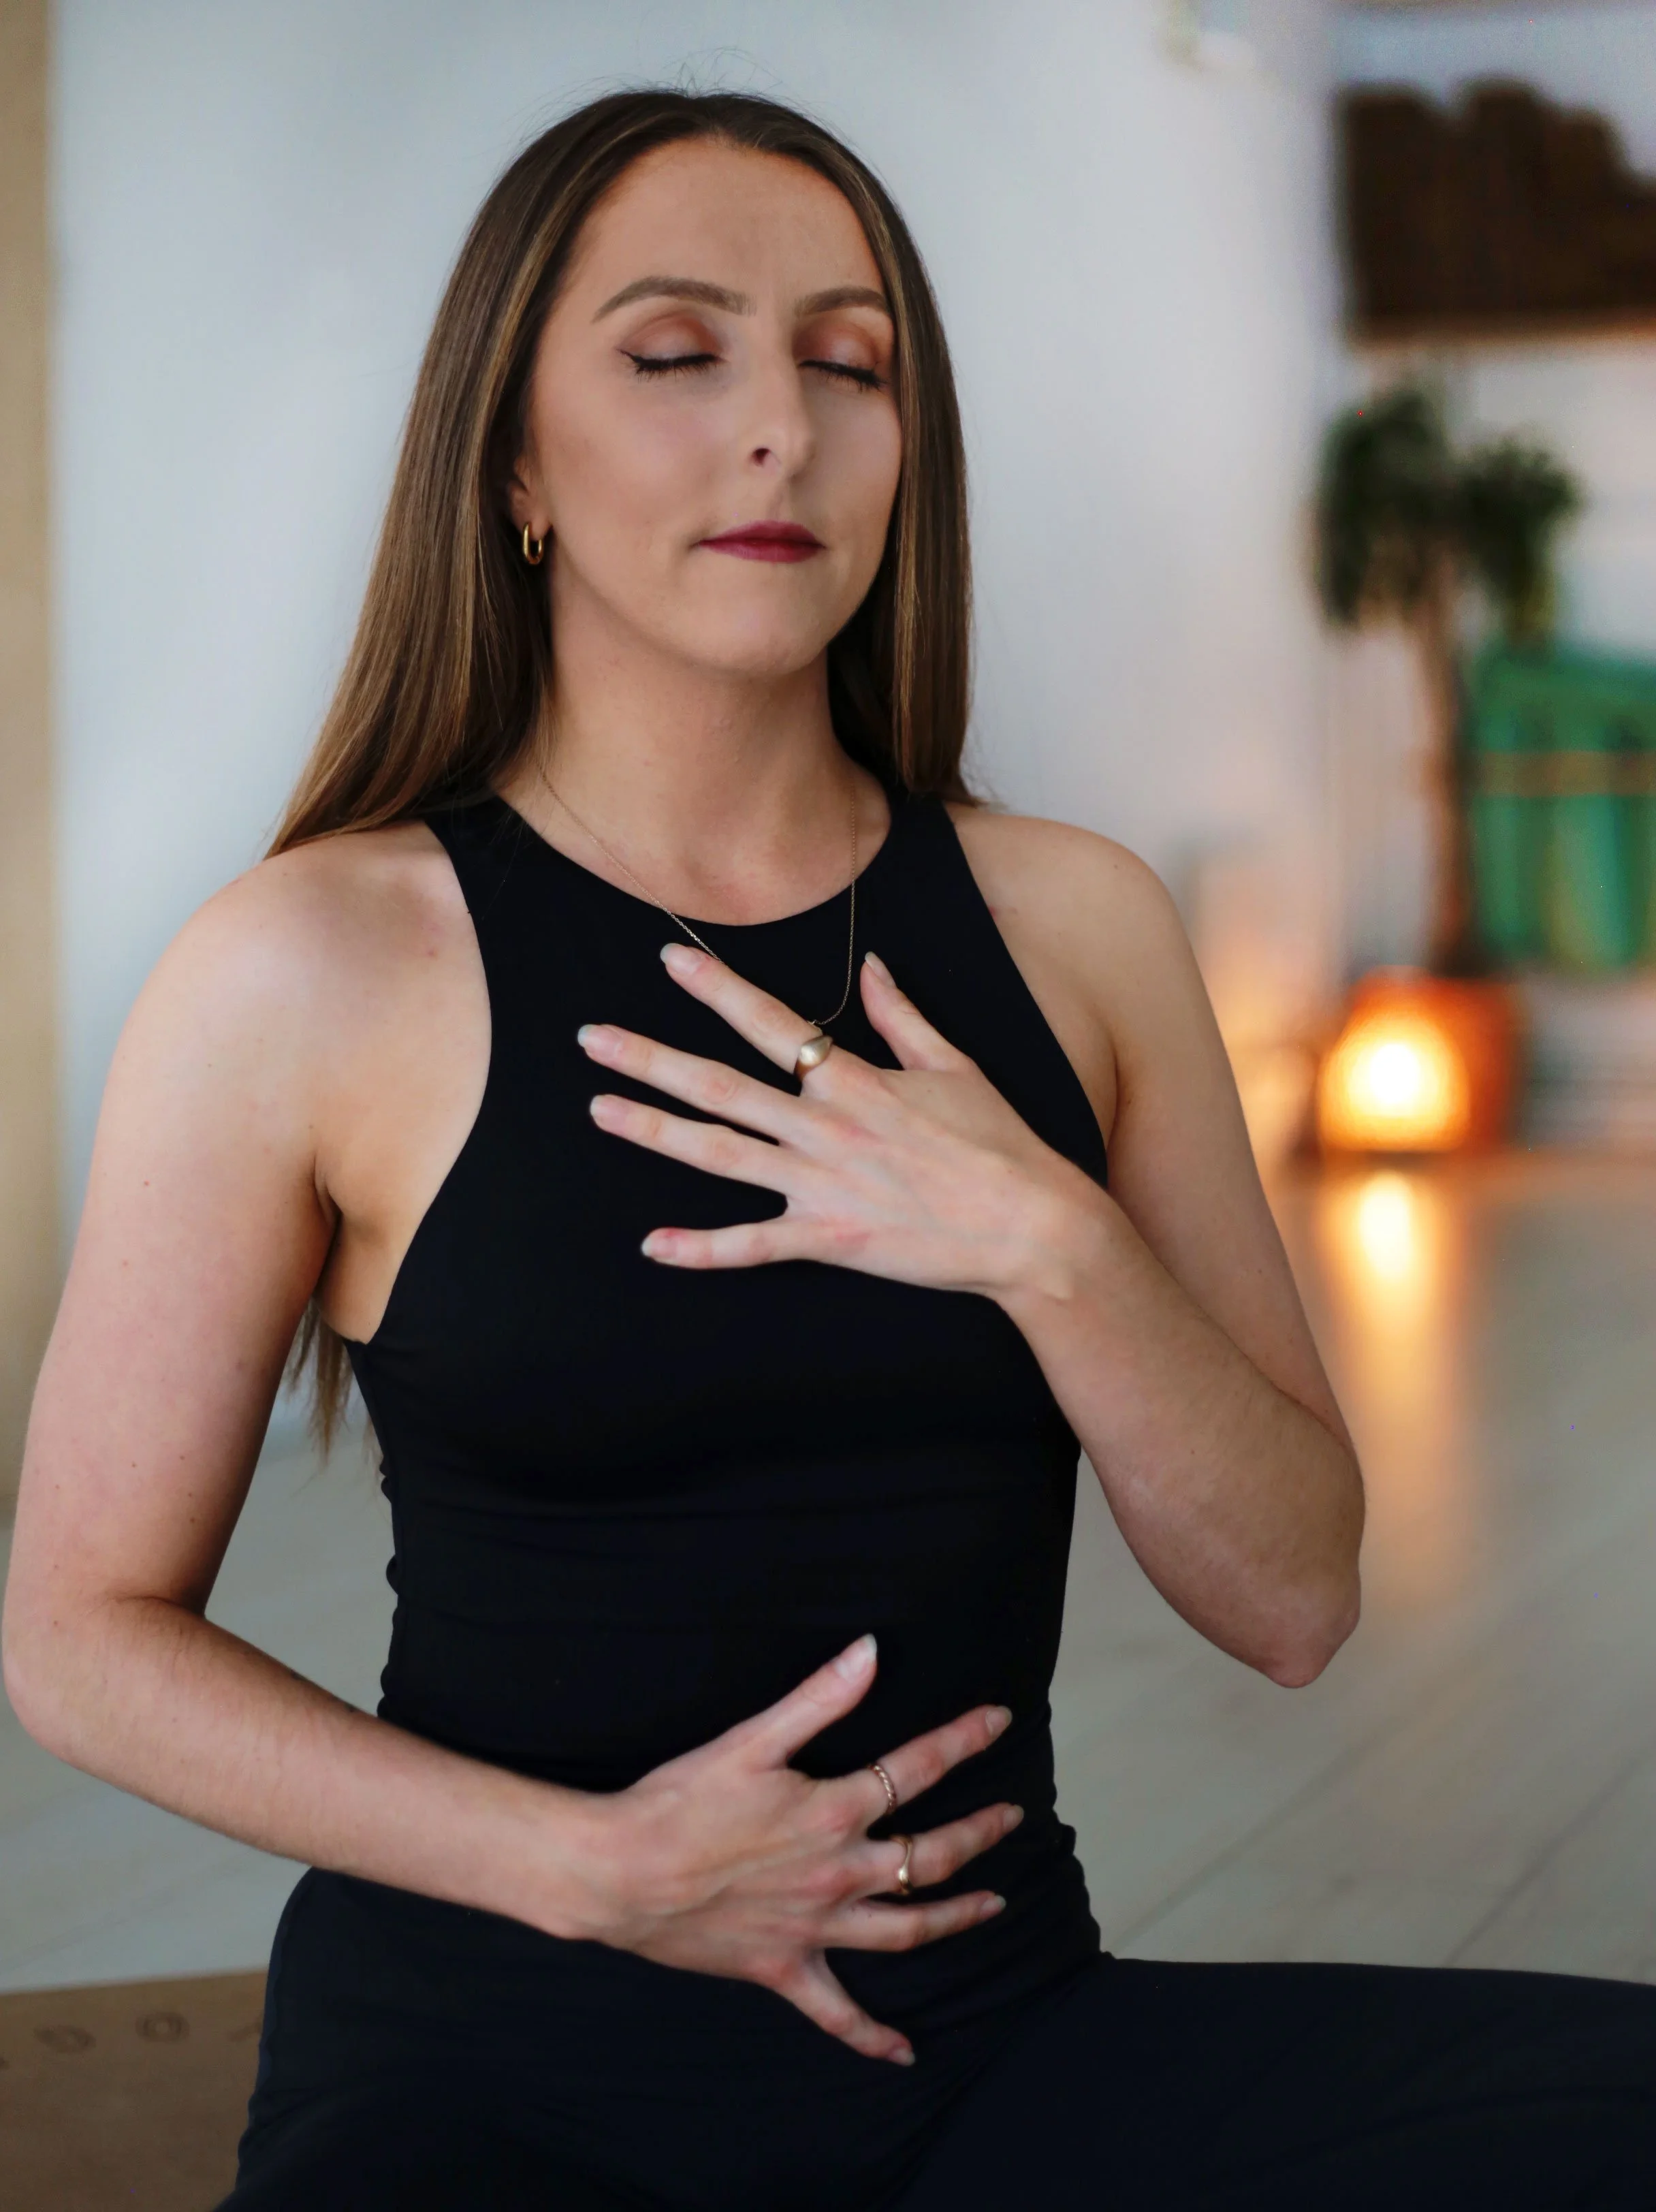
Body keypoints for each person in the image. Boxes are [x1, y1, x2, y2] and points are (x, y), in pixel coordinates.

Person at [5, 85, 1655, 2212]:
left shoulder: (1073, 929)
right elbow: (80, 1637)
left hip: (992, 2059)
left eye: (849, 363)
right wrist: (597, 1870)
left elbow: (1296, 1595)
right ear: (513, 460)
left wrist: (1045, 1241)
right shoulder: (314, 962)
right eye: (676, 353)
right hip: (490, 2070)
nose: (779, 426)